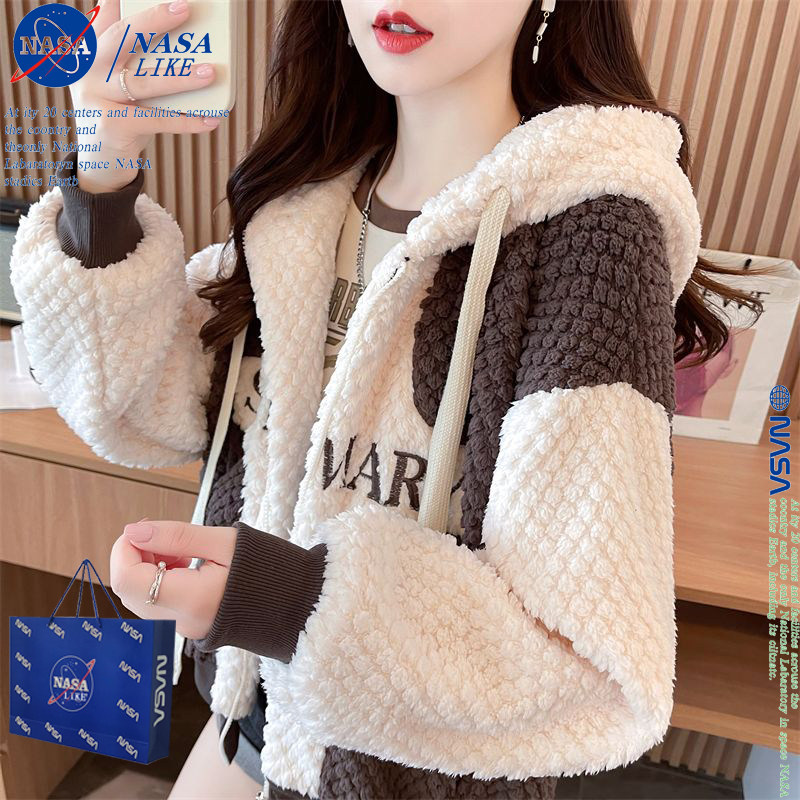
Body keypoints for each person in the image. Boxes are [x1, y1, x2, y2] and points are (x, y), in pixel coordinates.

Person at [10, 1, 763, 799]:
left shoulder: (593, 240)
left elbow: (590, 663)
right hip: (247, 741)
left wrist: (285, 600)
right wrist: (104, 170)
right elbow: (140, 407)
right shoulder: (302, 209)